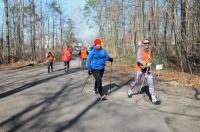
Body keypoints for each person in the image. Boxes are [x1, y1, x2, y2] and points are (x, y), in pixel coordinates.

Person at [127, 39, 160, 105]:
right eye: (145, 43)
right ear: (143, 44)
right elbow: (139, 59)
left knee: (150, 84)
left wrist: (149, 63)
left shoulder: (150, 51)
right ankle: (129, 90)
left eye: (148, 43)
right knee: (136, 81)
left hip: (147, 69)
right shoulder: (140, 50)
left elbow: (150, 59)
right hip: (139, 69)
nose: (146, 44)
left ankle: (154, 99)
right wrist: (145, 63)